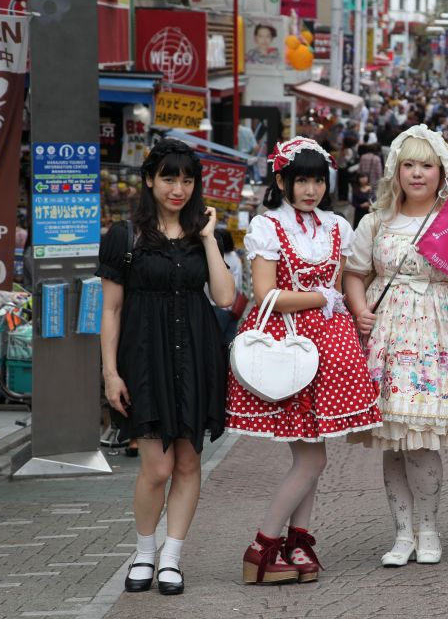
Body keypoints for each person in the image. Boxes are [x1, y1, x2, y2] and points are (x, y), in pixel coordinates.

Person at [225, 138, 382, 584]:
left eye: (317, 180)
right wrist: (321, 297)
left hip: (329, 346)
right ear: (282, 182)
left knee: (315, 456)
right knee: (312, 460)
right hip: (287, 344)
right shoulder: (268, 226)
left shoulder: (336, 226)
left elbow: (348, 278)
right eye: (301, 180)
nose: (310, 189)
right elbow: (265, 294)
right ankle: (262, 547)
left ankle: (296, 544)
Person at [344, 125, 448, 567]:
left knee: (422, 440)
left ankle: (428, 529)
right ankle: (402, 534)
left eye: (426, 165)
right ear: (396, 169)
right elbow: (354, 272)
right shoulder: (376, 220)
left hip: (439, 335)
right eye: (408, 164)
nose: (416, 173)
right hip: (387, 334)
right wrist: (358, 308)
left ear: (441, 170)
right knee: (393, 439)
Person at [98, 139, 235, 595]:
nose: (178, 188)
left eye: (187, 179)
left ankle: (171, 558)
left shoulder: (202, 234)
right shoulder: (125, 236)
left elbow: (225, 297)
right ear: (151, 179)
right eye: (169, 178)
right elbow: (112, 310)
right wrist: (110, 372)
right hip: (144, 356)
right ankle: (143, 552)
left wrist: (209, 239)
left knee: (189, 460)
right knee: (156, 467)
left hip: (195, 354)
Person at [209, 229, 244, 348]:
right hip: (231, 306)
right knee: (228, 342)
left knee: (213, 341)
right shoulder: (235, 258)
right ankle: (228, 365)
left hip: (214, 304)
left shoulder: (213, 256)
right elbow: (238, 282)